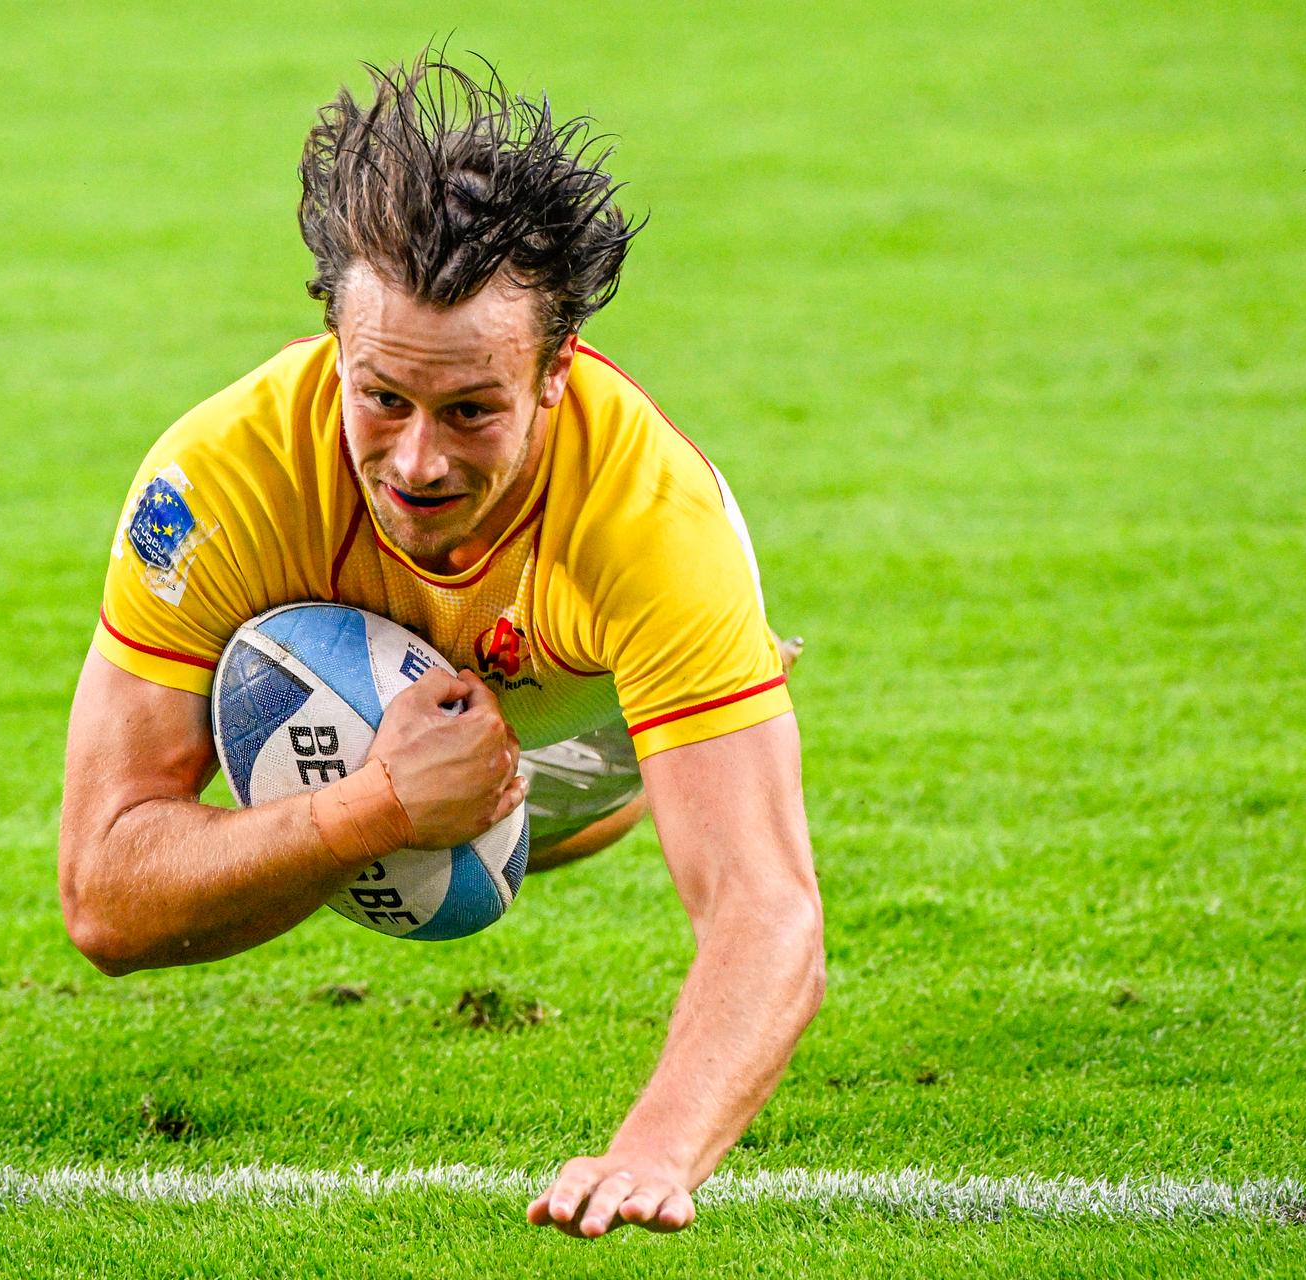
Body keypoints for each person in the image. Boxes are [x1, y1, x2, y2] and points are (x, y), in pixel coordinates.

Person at [58, 52, 823, 1238]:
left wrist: (655, 1148)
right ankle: (430, 798)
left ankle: (551, 800)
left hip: (585, 723)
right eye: (383, 399)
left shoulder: (650, 520)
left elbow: (768, 908)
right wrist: (371, 810)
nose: (417, 463)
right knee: (385, 827)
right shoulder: (217, 480)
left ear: (556, 376)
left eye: (472, 409)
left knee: (643, 806)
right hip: (388, 749)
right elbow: (104, 896)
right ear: (333, 341)